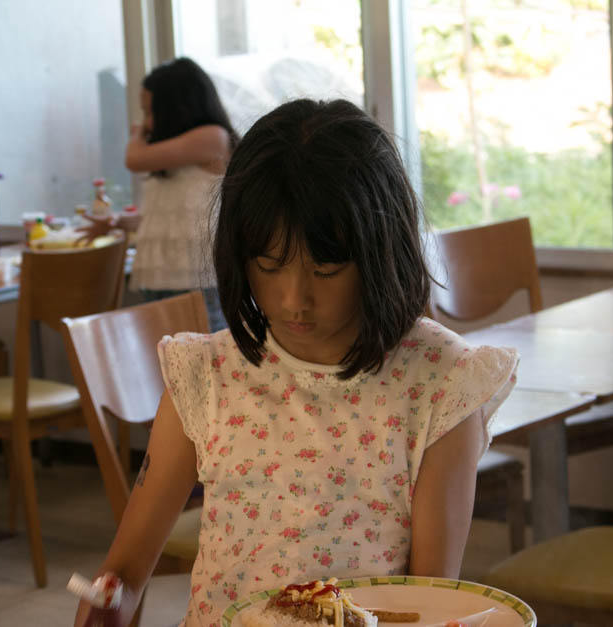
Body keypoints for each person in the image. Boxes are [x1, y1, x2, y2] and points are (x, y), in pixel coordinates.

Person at [74, 98, 518, 627]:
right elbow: (124, 571)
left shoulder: (440, 383)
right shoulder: (206, 376)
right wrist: (110, 602)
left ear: (380, 251)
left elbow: (427, 601)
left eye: (326, 269)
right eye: (269, 264)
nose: (293, 299)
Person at [79, 57, 238, 331]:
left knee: (205, 362)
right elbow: (167, 216)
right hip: (159, 277)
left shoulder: (212, 137)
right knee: (162, 365)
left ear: (176, 110)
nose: (147, 123)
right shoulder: (172, 161)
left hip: (197, 280)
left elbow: (133, 159)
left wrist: (137, 135)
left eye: (151, 113)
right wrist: (118, 223)